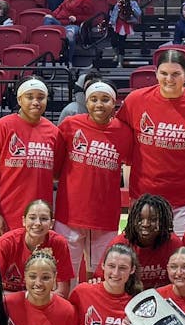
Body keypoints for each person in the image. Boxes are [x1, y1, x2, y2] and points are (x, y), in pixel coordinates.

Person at [116, 49, 185, 236]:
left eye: (175, 74)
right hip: (144, 199)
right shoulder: (135, 101)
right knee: (144, 260)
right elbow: (122, 141)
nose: (169, 79)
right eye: (164, 73)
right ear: (156, 73)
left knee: (182, 261)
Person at [54, 80, 132, 283]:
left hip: (104, 215)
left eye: (105, 100)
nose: (99, 104)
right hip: (69, 213)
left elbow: (130, 166)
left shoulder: (124, 132)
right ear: (86, 102)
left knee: (101, 276)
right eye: (94, 100)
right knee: (64, 275)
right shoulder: (70, 125)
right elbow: (56, 168)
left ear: (114, 103)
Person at [0, 77, 58, 240]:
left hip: (38, 224)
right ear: (20, 99)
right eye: (30, 97)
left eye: (40, 97)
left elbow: (56, 175)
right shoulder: (1, 127)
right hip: (4, 220)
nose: (36, 102)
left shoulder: (54, 132)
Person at [95, 194, 182, 289]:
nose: (145, 224)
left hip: (163, 299)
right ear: (132, 219)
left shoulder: (173, 244)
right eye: (140, 218)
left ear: (163, 222)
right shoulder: (120, 243)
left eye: (153, 219)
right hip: (127, 298)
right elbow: (101, 279)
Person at [0, 200, 75, 297]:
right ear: (24, 221)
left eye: (44, 219)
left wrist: (35, 301)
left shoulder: (59, 244)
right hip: (9, 299)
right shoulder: (6, 243)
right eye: (32, 218)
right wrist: (25, 298)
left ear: (51, 223)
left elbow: (62, 292)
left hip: (43, 301)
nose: (38, 223)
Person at [43, 0, 97, 65]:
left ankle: (69, 61)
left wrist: (76, 18)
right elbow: (60, 8)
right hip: (60, 22)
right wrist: (52, 15)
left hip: (73, 25)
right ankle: (49, 55)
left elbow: (90, 17)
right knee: (47, 19)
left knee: (70, 35)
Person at [109, 0, 142, 66]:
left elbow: (139, 14)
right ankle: (116, 54)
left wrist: (132, 9)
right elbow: (114, 14)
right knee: (113, 40)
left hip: (126, 24)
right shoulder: (118, 4)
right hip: (117, 24)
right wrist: (111, 22)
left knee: (121, 42)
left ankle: (120, 61)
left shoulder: (133, 3)